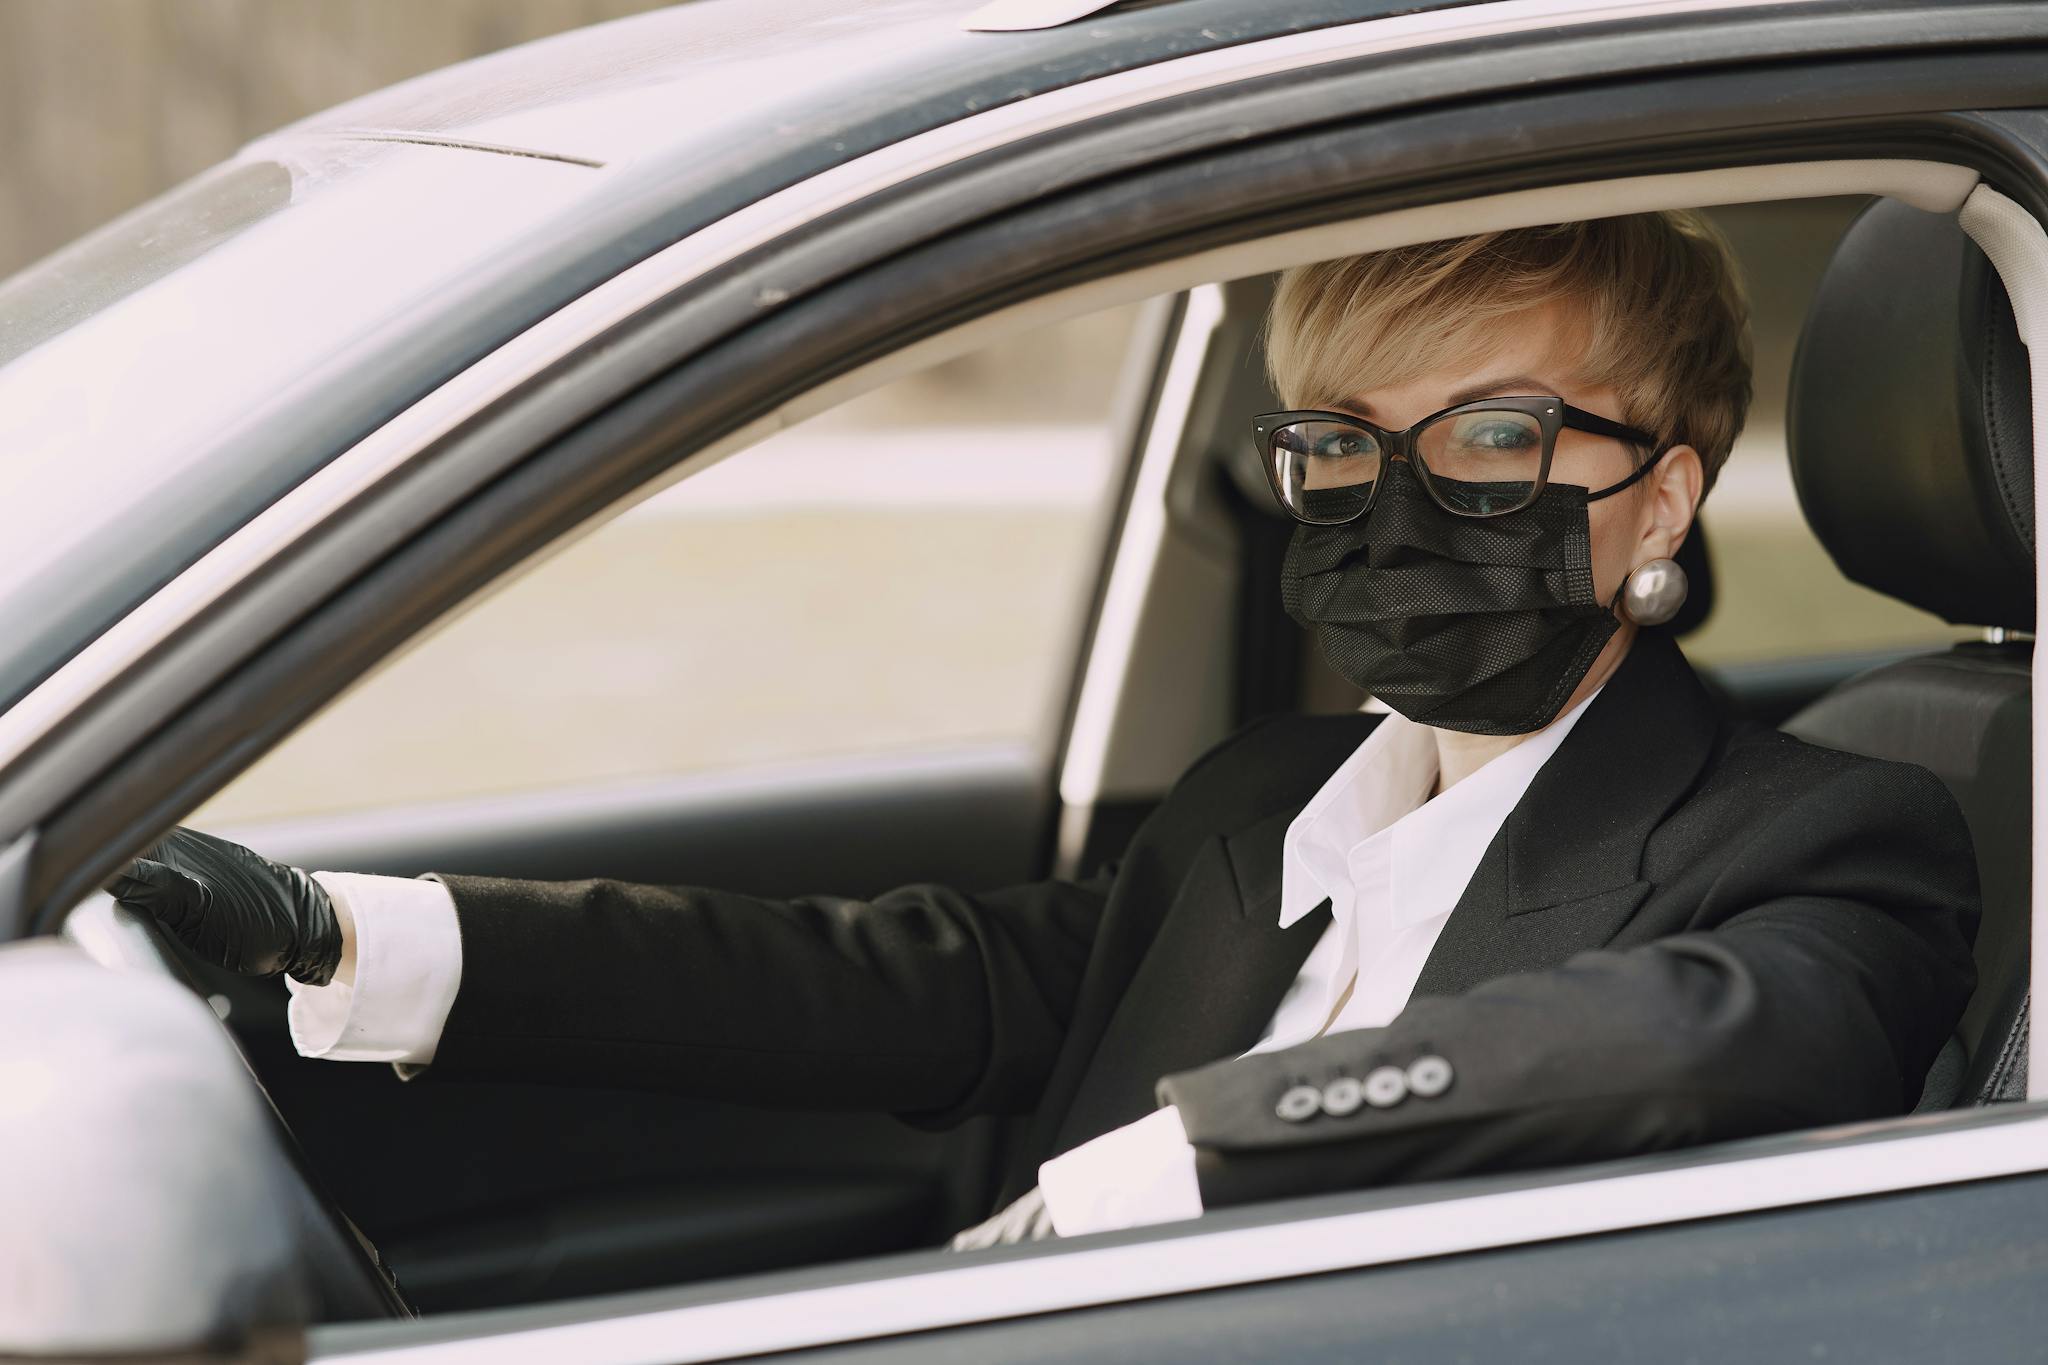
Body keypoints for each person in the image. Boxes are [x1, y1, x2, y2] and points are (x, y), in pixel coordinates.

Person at [109, 212, 1979, 1252]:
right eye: (1340, 446)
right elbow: (880, 984)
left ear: (1664, 498)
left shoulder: (1832, 828)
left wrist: (1174, 1167)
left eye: (1490, 438)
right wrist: (341, 933)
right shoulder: (1257, 812)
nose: (1395, 508)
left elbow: (1726, 1038)